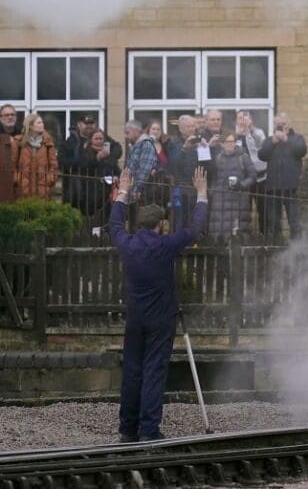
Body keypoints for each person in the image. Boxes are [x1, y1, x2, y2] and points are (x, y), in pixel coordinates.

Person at [111, 166, 208, 443]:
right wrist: (202, 194)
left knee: (132, 371)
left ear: (140, 224)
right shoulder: (167, 244)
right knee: (154, 371)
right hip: (161, 319)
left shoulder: (127, 244)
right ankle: (149, 430)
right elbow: (195, 228)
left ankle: (127, 429)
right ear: (160, 224)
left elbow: (115, 224)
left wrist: (123, 192)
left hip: (135, 318)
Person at [258, 114, 307, 241]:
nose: (281, 126)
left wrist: (286, 139)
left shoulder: (297, 138)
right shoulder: (269, 140)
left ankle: (297, 249)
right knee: (273, 222)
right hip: (273, 188)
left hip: (292, 187)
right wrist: (273, 142)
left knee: (294, 221)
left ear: (289, 124)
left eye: (283, 123)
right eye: (278, 124)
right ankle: (276, 248)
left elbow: (301, 151)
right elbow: (262, 155)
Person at [61, 114, 123, 211]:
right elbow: (63, 161)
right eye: (86, 123)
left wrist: (108, 155)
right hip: (77, 188)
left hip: (103, 189)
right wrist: (94, 159)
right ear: (79, 124)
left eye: (91, 123)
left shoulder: (104, 138)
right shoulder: (71, 142)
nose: (89, 126)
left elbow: (117, 149)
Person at [208, 133, 256, 240]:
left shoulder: (243, 157)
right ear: (222, 144)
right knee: (219, 229)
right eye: (227, 142)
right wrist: (212, 191)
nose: (230, 144)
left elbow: (253, 176)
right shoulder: (218, 158)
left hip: (238, 199)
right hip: (220, 200)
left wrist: (241, 185)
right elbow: (213, 177)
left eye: (232, 142)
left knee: (237, 231)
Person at [73, 128, 121, 231]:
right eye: (96, 138)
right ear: (91, 140)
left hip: (108, 192)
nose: (99, 141)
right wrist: (97, 158)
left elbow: (115, 168)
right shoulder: (86, 152)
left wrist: (116, 176)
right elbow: (82, 168)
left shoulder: (109, 154)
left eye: (101, 138)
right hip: (91, 193)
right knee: (93, 222)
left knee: (107, 219)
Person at [235, 110, 267, 235]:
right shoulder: (233, 135)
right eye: (240, 118)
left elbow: (263, 145)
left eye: (245, 118)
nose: (242, 120)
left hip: (260, 178)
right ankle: (245, 236)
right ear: (236, 120)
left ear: (251, 119)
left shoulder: (257, 132)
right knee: (244, 211)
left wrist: (251, 129)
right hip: (243, 180)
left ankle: (264, 236)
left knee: (262, 209)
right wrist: (238, 135)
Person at [13, 112, 59, 200]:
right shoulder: (18, 142)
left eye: (42, 122)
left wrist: (50, 179)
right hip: (23, 187)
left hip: (43, 187)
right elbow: (12, 164)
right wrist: (17, 179)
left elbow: (53, 165)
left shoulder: (48, 143)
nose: (43, 124)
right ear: (30, 126)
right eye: (39, 122)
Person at [0, 105, 18, 203]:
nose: (10, 117)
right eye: (6, 115)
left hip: (18, 182)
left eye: (12, 114)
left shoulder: (22, 134)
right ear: (1, 117)